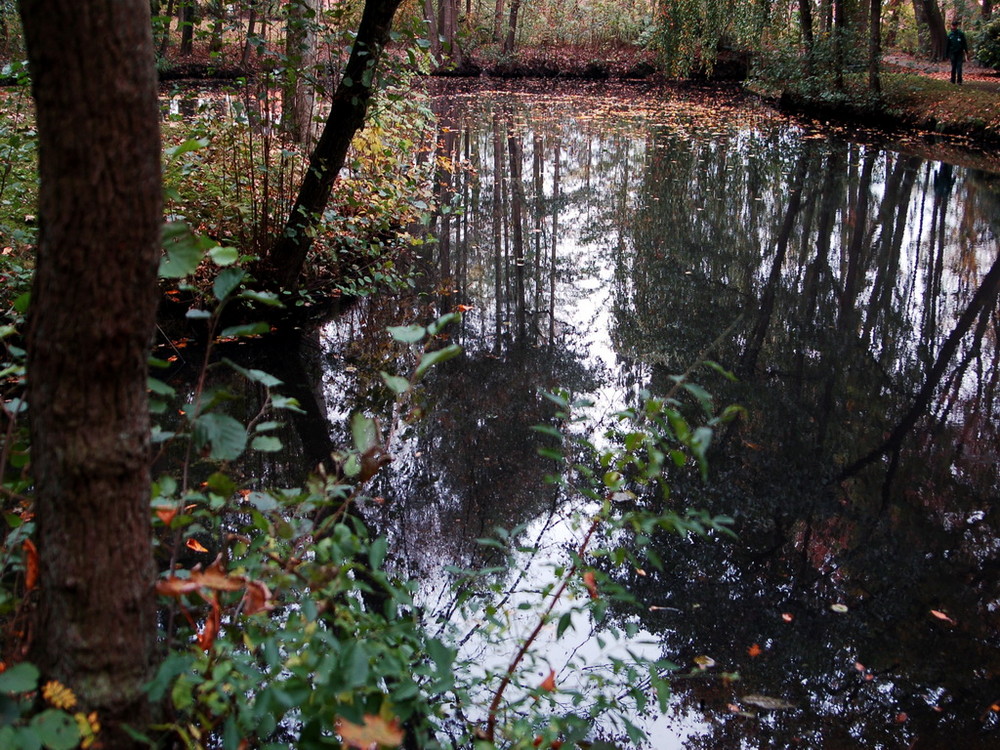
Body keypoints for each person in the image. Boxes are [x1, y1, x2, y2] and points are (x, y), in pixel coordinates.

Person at [946, 19, 970, 85]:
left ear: (957, 26)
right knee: (953, 67)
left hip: (959, 52)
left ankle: (959, 81)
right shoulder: (950, 35)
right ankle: (952, 80)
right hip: (952, 53)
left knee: (959, 67)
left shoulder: (960, 34)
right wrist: (947, 54)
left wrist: (966, 52)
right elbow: (947, 45)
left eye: (955, 26)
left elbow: (964, 43)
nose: (954, 27)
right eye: (953, 26)